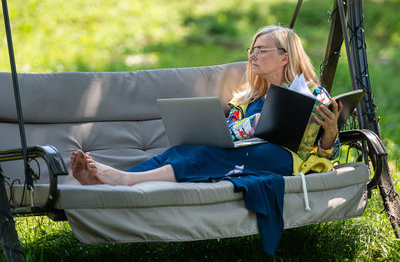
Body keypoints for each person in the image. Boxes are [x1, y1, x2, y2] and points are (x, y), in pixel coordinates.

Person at [71, 25, 342, 186]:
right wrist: (252, 124)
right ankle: (114, 177)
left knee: (206, 156)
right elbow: (226, 133)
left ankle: (123, 181)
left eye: (261, 50)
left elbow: (325, 154)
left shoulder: (312, 94)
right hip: (244, 152)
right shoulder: (246, 100)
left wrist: (330, 134)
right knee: (184, 149)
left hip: (284, 158)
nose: (252, 56)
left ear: (285, 58)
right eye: (252, 50)